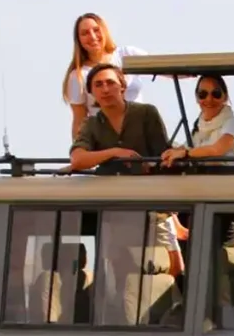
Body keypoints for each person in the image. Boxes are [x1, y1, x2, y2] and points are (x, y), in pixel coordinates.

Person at [68, 63, 184, 277]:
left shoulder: (146, 113)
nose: (105, 89)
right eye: (98, 84)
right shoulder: (92, 124)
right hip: (115, 208)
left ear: (122, 86)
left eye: (110, 82)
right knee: (119, 271)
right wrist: (114, 152)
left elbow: (163, 155)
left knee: (173, 270)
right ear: (91, 92)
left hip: (153, 206)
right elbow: (77, 159)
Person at [61, 12, 148, 139]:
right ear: (78, 40)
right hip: (108, 139)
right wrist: (78, 151)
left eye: (96, 30)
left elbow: (166, 68)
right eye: (85, 33)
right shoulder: (78, 76)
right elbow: (80, 120)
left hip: (142, 132)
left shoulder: (127, 54)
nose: (92, 36)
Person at [160, 74, 234, 166]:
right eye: (203, 94)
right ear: (197, 98)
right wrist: (168, 156)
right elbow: (181, 150)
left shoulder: (233, 123)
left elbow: (216, 150)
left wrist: (186, 153)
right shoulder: (197, 131)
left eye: (216, 94)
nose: (209, 99)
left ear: (225, 97)